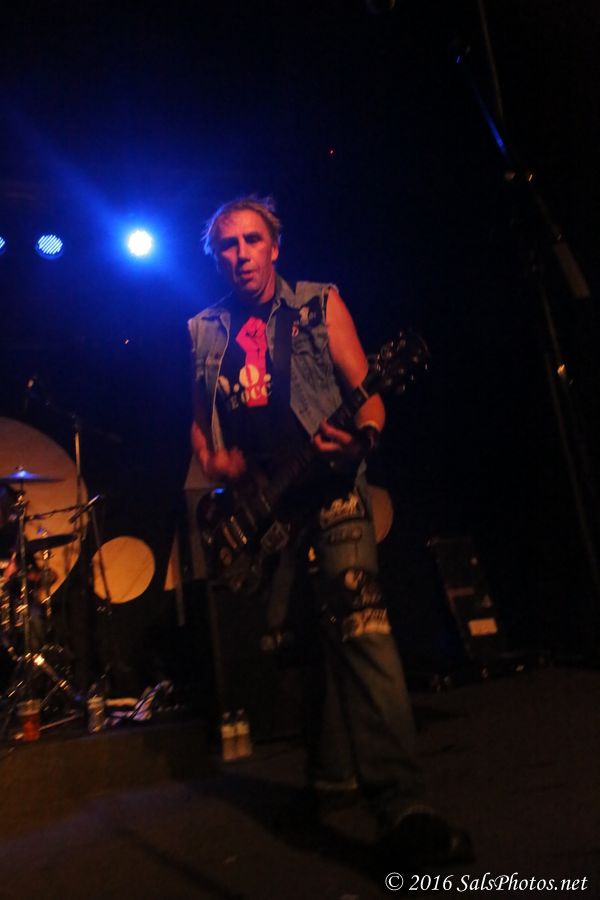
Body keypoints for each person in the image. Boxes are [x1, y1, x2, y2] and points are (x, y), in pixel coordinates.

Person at [188, 195, 472, 867]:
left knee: (361, 626)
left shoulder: (318, 305)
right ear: (216, 257)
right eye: (228, 245)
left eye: (252, 240)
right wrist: (214, 461)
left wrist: (361, 437)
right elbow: (199, 423)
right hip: (267, 509)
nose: (240, 254)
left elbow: (369, 394)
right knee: (305, 646)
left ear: (274, 247)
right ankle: (331, 782)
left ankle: (403, 806)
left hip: (334, 490)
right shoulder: (203, 329)